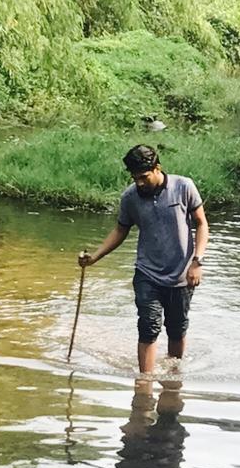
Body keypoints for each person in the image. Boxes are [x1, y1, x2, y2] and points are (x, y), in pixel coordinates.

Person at [78, 144, 209, 373]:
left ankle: (173, 379)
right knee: (148, 326)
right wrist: (95, 257)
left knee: (177, 329)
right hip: (147, 273)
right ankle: (144, 383)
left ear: (157, 168)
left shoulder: (183, 187)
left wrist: (197, 262)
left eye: (143, 177)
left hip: (182, 274)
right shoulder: (130, 197)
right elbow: (120, 230)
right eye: (134, 177)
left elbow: (201, 223)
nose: (139, 182)